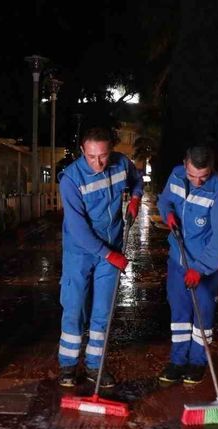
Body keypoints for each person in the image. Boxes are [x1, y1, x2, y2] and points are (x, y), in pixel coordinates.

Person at [57, 127, 144, 387]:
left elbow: (136, 180)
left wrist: (136, 197)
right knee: (74, 309)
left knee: (102, 312)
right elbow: (78, 229)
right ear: (82, 150)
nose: (98, 163)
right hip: (80, 253)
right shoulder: (71, 179)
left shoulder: (121, 164)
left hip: (112, 246)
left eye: (103, 156)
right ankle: (68, 366)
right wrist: (109, 255)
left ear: (111, 150)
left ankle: (95, 366)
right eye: (92, 156)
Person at [157, 146, 218, 385]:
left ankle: (197, 362)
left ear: (212, 168)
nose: (197, 182)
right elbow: (165, 200)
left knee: (202, 315)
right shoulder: (176, 175)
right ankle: (178, 361)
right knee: (179, 313)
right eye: (192, 175)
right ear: (185, 163)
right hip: (177, 259)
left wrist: (200, 269)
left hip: (203, 265)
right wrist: (167, 213)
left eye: (203, 176)